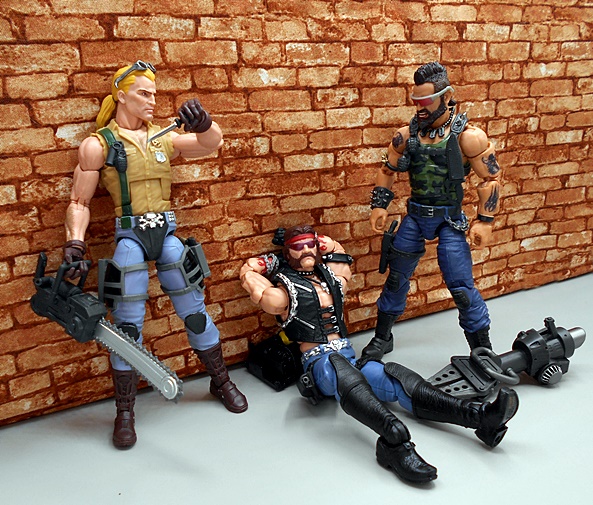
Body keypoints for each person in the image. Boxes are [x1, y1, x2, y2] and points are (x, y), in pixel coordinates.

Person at [240, 225, 518, 484]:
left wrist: (325, 242)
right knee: (345, 374)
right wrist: (266, 263)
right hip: (319, 365)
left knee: (396, 376)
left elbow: (341, 256)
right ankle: (394, 443)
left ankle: (479, 417)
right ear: (287, 252)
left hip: (348, 357)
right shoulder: (284, 290)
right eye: (298, 247)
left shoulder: (330, 279)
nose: (307, 251)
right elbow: (253, 282)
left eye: (310, 244)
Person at [63, 61, 247, 449]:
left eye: (154, 94)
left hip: (166, 234)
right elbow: (79, 201)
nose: (151, 101)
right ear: (121, 96)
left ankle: (220, 381)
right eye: (143, 93)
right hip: (129, 236)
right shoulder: (99, 145)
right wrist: (75, 242)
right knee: (126, 329)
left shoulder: (163, 137)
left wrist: (203, 123)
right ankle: (125, 411)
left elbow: (212, 144)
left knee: (194, 311)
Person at [363, 61, 501, 365]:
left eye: (426, 100)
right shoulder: (406, 135)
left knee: (461, 287)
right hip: (415, 217)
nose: (419, 107)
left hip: (448, 219)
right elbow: (387, 170)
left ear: (446, 95)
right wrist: (379, 205)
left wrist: (485, 221)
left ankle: (482, 349)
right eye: (416, 101)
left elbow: (490, 179)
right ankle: (383, 337)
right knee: (396, 278)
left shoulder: (469, 137)